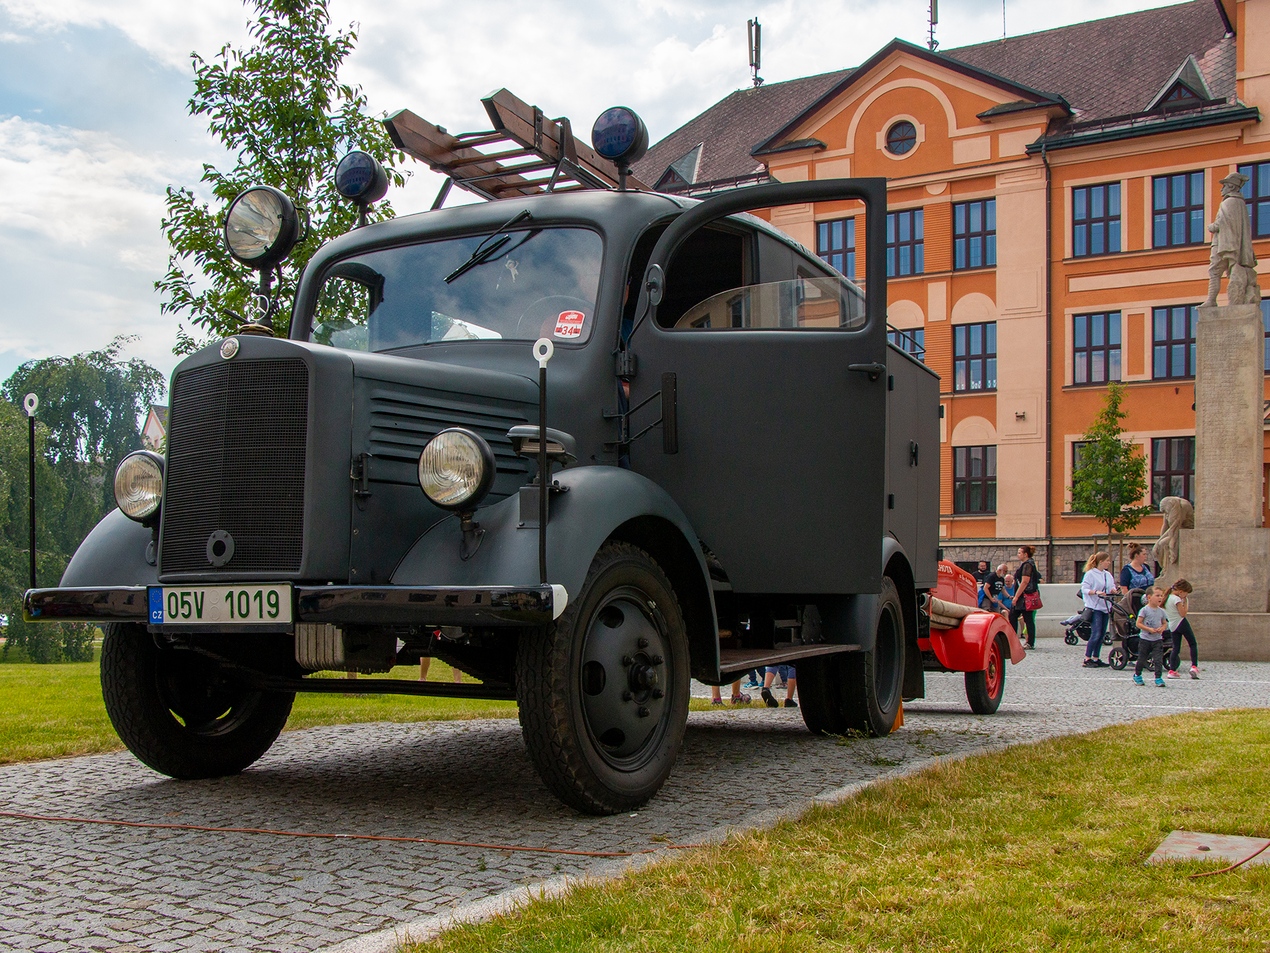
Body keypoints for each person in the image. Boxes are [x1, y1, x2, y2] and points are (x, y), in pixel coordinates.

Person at [1079, 551, 1117, 667]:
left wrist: (1113, 590)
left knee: (1101, 634)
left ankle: (1096, 657)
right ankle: (1087, 657)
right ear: (1101, 562)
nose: (1109, 563)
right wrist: (1095, 592)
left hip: (1105, 606)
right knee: (1096, 633)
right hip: (1095, 607)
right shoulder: (1090, 574)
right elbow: (1084, 588)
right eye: (1107, 561)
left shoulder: (1107, 574)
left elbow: (1111, 586)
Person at [1132, 586, 1170, 687]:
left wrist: (1162, 628)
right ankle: (1137, 674)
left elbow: (1164, 623)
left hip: (1157, 639)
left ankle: (1158, 677)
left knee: (1158, 659)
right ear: (1149, 597)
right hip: (1145, 639)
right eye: (1157, 595)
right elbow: (1138, 623)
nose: (1160, 598)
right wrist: (1148, 629)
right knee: (1142, 658)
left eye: (1161, 596)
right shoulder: (1144, 610)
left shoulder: (1161, 611)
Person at [1164, 579, 1200, 679]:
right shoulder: (1177, 599)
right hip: (1181, 622)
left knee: (1176, 648)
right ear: (1181, 591)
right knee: (1192, 643)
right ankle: (1194, 666)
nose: (1186, 595)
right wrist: (1186, 603)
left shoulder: (1167, 598)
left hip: (1172, 625)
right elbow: (1183, 614)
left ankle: (1172, 670)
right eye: (1186, 593)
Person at [1010, 545, 1041, 649]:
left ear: (1025, 554)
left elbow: (1024, 582)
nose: (1018, 555)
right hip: (1026, 596)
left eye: (1019, 553)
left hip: (1024, 597)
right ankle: (1028, 642)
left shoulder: (1027, 565)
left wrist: (1016, 597)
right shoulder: (1030, 563)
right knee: (1027, 619)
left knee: (1015, 617)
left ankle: (1017, 641)